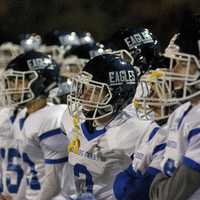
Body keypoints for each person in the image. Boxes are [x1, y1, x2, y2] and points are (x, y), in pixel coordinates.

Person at [66, 53, 160, 200]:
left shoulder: (136, 129)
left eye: (95, 91)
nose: (84, 96)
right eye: (85, 87)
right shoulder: (70, 118)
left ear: (118, 95)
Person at [0, 50, 76, 200]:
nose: (13, 87)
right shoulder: (23, 115)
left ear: (41, 82)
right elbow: (29, 170)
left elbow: (56, 182)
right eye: (12, 81)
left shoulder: (53, 118)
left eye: (19, 81)